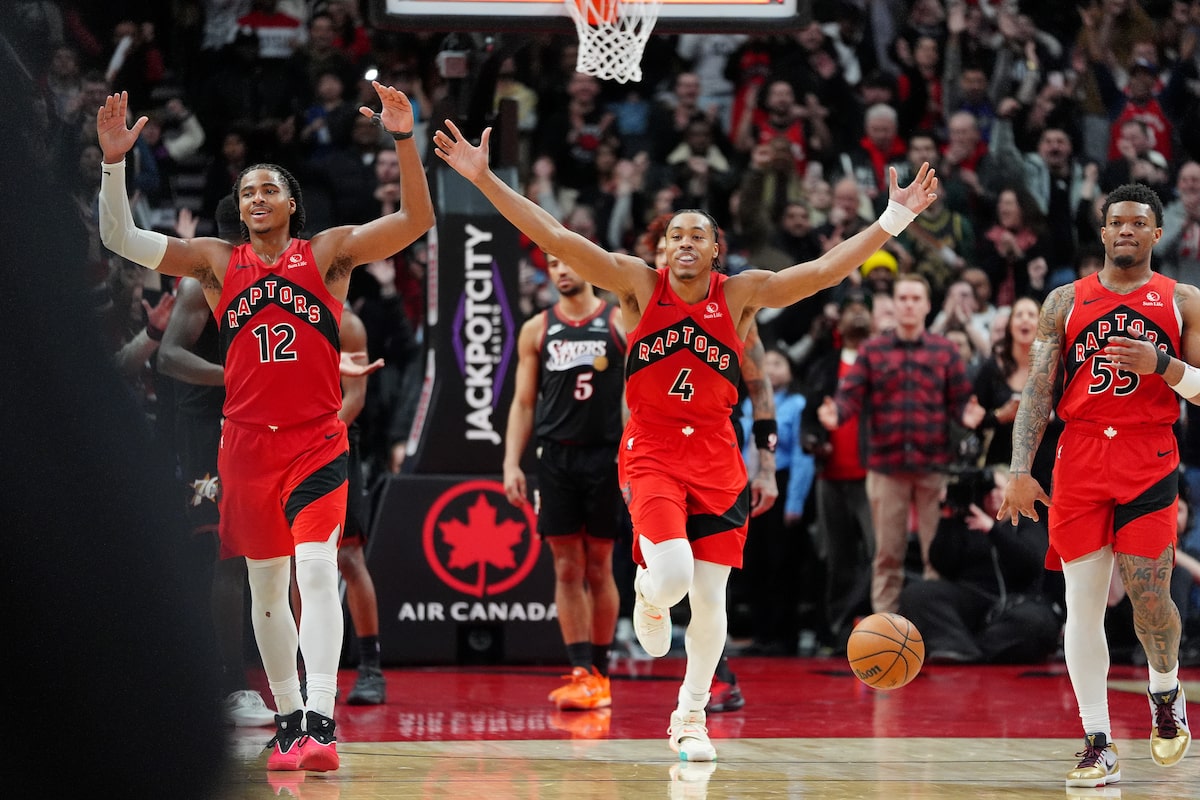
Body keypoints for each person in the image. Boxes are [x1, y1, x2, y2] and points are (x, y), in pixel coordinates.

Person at [433, 117, 938, 761]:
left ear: (716, 249)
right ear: (664, 248)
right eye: (676, 235)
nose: (686, 243)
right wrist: (485, 181)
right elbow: (554, 234)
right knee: (669, 574)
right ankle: (647, 593)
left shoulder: (742, 293)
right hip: (652, 452)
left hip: (718, 461)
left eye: (699, 234)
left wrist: (891, 220)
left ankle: (690, 716)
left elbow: (819, 273)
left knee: (712, 601)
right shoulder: (638, 286)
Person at [96, 82, 434, 772]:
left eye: (267, 190)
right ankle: (286, 721)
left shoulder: (329, 253)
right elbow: (119, 237)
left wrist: (405, 141)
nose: (254, 200)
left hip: (315, 440)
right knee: (265, 586)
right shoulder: (217, 264)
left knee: (316, 571)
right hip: (245, 447)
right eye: (246, 191)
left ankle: (321, 720)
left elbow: (414, 221)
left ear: (291, 204)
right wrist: (112, 165)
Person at [998, 183, 1193, 788]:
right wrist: (1020, 469)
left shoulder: (1181, 299)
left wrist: (1162, 365)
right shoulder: (1064, 301)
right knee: (1080, 603)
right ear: (1103, 233)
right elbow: (1037, 391)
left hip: (1148, 453)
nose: (1126, 231)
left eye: (1139, 222)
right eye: (1116, 223)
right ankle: (1097, 740)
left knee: (1149, 598)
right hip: (1079, 456)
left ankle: (1165, 692)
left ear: (1157, 233)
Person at [157, 199, 276, 728]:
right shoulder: (201, 279)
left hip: (253, 425)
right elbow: (169, 356)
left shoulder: (272, 278)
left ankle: (261, 675)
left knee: (261, 557)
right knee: (225, 555)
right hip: (208, 429)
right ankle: (230, 684)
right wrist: (236, 377)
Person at [818, 274, 986, 615]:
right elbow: (849, 397)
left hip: (933, 468)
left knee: (936, 556)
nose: (909, 304)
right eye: (903, 298)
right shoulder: (872, 350)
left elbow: (961, 403)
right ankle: (886, 631)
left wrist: (969, 416)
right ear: (894, 305)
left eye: (915, 298)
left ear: (926, 305)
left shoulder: (945, 351)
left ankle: (934, 625)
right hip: (886, 467)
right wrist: (836, 413)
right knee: (886, 554)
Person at [503, 253, 625, 715]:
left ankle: (601, 672)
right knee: (566, 568)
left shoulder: (618, 322)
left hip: (605, 455)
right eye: (553, 264)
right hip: (555, 458)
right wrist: (512, 463)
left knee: (600, 565)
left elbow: (633, 395)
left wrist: (630, 456)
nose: (561, 270)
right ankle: (580, 673)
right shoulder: (537, 328)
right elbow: (522, 402)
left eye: (569, 261)